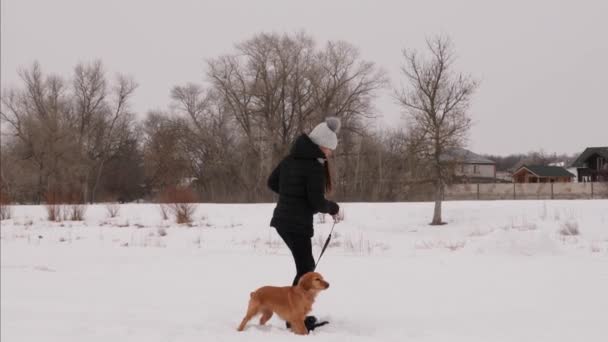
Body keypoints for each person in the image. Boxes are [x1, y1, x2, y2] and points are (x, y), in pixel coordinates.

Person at [267, 116, 342, 331]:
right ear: (320, 145)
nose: (330, 153)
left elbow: (271, 182)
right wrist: (334, 208)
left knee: (305, 268)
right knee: (306, 269)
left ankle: (294, 314)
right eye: (329, 149)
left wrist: (291, 195)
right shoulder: (314, 167)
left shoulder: (290, 159)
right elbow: (318, 203)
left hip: (283, 220)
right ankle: (294, 316)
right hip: (296, 223)